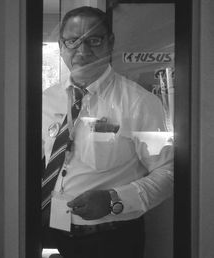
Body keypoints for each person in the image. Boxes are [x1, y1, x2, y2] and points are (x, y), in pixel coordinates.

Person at [41, 6, 173, 258]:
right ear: (61, 45)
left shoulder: (139, 103)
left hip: (113, 238)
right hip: (56, 230)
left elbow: (169, 172)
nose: (82, 50)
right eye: (72, 41)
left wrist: (113, 200)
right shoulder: (47, 99)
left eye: (93, 40)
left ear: (110, 43)